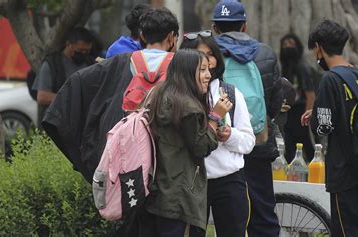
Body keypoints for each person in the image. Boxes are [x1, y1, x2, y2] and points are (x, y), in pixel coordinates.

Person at [42, 8, 179, 183]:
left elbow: (72, 94)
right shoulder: (184, 67)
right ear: (171, 37)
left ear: (142, 36)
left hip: (125, 162)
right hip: (168, 164)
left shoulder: (118, 63)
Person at [119, 48, 232, 236]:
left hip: (155, 188)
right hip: (178, 192)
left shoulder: (160, 94)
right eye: (202, 70)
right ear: (188, 72)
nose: (208, 75)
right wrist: (215, 117)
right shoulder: (188, 107)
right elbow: (201, 146)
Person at [211, 1, 283, 236]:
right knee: (262, 214)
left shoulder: (206, 55)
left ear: (214, 27)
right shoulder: (265, 53)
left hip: (218, 148)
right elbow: (274, 104)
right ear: (243, 26)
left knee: (223, 217)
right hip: (258, 143)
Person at [301, 20, 358, 236]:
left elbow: (323, 128)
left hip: (344, 170)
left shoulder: (330, 80)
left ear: (318, 47)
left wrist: (316, 117)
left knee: (346, 231)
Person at [181, 31, 255, 237]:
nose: (206, 61)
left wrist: (230, 135)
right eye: (199, 55)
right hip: (192, 182)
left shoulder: (230, 93)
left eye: (210, 54)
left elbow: (248, 141)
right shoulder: (179, 96)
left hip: (229, 182)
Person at [33, 27, 94, 127]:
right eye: (80, 50)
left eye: (87, 51)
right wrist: (73, 99)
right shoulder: (52, 64)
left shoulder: (90, 63)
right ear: (69, 45)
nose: (84, 54)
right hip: (56, 122)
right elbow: (42, 97)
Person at [280, 33, 320, 163]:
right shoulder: (285, 69)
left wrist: (307, 117)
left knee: (308, 147)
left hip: (301, 112)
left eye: (291, 44)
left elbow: (310, 94)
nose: (288, 47)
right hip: (288, 114)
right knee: (289, 149)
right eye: (285, 44)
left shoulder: (302, 68)